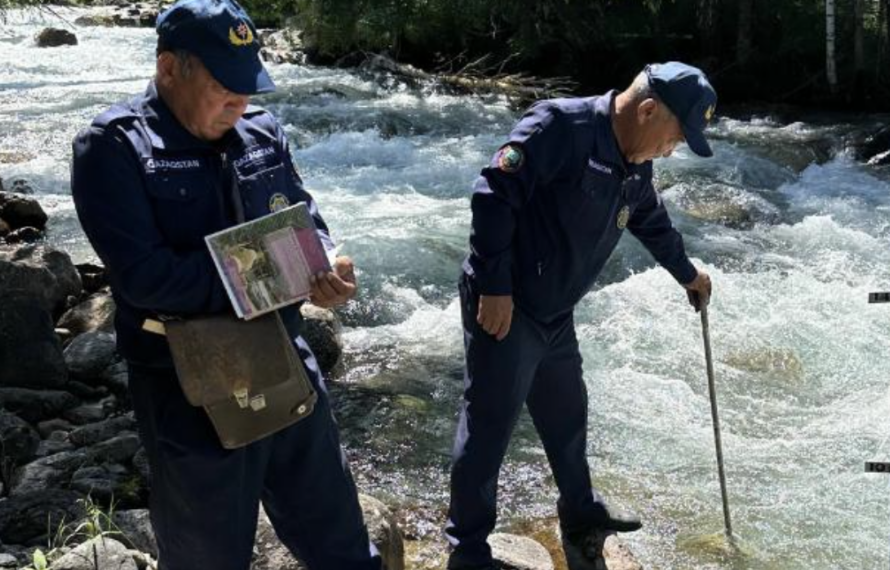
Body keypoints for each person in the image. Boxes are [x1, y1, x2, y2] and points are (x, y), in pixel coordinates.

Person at [69, 0, 381, 568]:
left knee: (342, 544)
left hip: (285, 358)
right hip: (187, 384)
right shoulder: (113, 147)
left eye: (248, 84)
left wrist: (326, 260)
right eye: (223, 85)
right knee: (207, 557)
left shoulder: (261, 131)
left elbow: (303, 215)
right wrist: (277, 271)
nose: (241, 101)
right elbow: (146, 279)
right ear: (169, 69)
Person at [447, 62, 718, 570]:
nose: (674, 147)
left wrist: (688, 275)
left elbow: (650, 220)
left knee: (567, 415)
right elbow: (492, 195)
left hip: (555, 313)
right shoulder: (559, 127)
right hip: (510, 305)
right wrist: (495, 285)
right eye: (677, 135)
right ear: (647, 109)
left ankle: (580, 516)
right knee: (488, 427)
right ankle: (467, 550)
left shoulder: (635, 161)